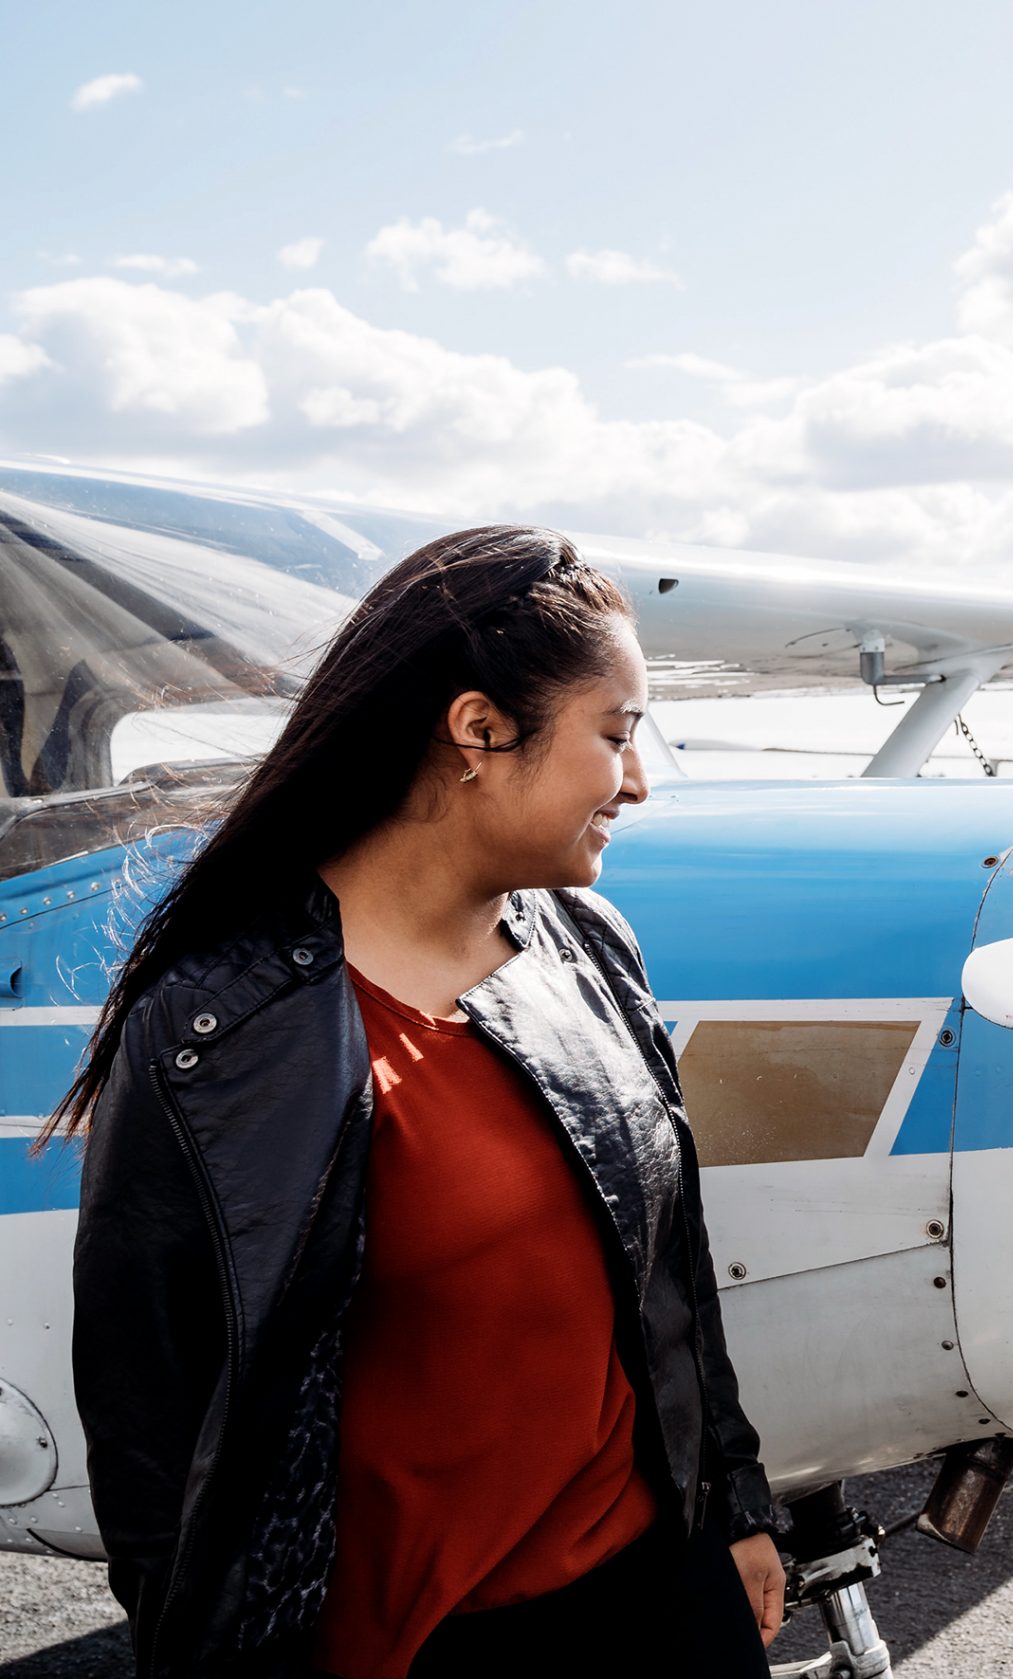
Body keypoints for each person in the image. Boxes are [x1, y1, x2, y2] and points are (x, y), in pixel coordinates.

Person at [52, 527, 788, 1677]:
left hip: (657, 1593)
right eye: (617, 733)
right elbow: (153, 1433)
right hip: (410, 1644)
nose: (639, 779)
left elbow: (668, 1278)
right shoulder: (212, 1029)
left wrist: (733, 1507)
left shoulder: (592, 947)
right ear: (480, 731)